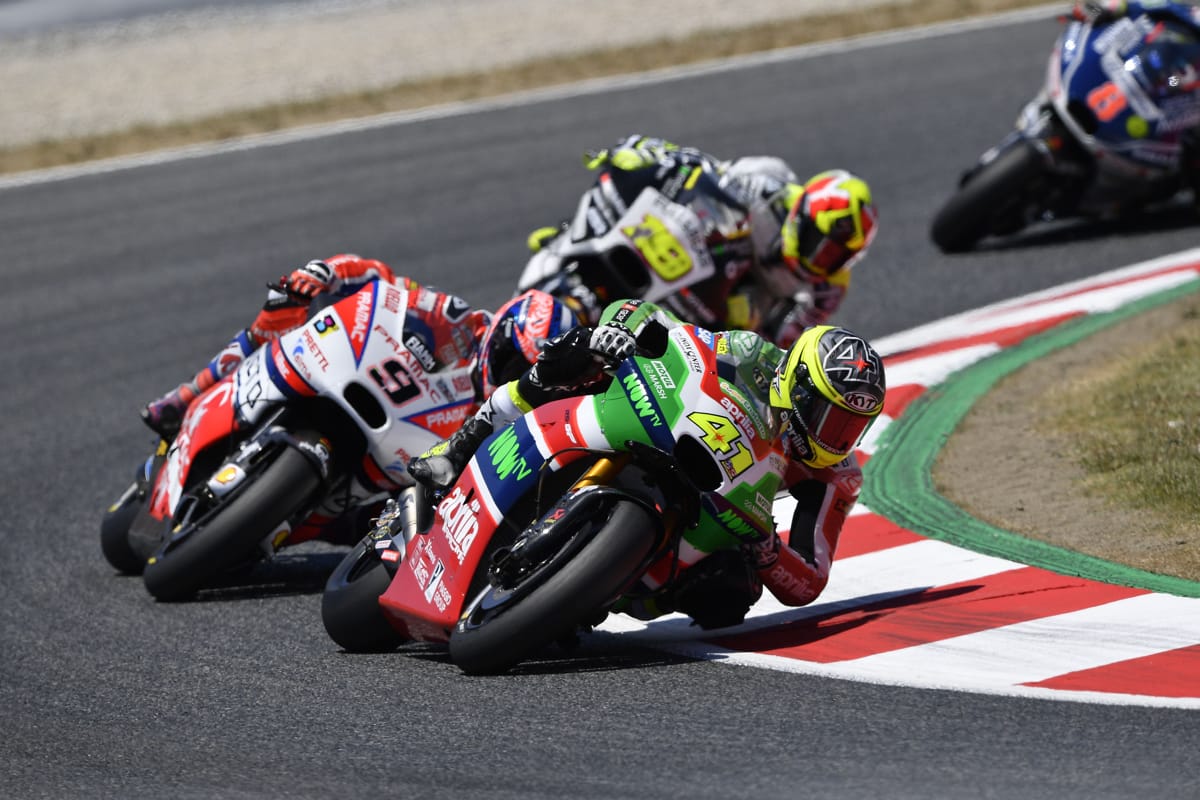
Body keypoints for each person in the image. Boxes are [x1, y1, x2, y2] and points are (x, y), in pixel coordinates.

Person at [408, 298, 887, 630]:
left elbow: (809, 580)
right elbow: (679, 335)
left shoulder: (838, 475)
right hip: (677, 429)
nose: (834, 436)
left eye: (850, 427)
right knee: (586, 352)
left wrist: (767, 550)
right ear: (798, 385)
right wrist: (623, 331)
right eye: (827, 416)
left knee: (732, 591)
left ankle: (601, 589)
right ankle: (461, 445)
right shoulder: (754, 354)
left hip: (725, 509)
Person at [140, 253, 577, 440]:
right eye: (513, 362)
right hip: (352, 376)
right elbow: (382, 280)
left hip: (389, 463)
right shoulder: (456, 318)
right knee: (278, 318)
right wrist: (323, 275)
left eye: (524, 374)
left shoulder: (502, 421)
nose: (512, 376)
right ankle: (187, 395)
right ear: (501, 332)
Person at [525, 134, 879, 349]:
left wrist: (760, 326)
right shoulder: (770, 182)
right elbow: (706, 171)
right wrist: (656, 154)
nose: (819, 257)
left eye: (834, 256)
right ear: (801, 213)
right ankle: (577, 236)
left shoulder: (828, 288)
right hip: (700, 254)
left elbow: (788, 340)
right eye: (817, 240)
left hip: (724, 315)